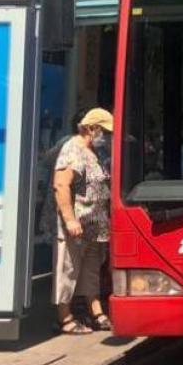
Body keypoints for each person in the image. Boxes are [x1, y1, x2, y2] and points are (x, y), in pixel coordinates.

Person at [52, 107, 114, 334]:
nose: (107, 136)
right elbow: (61, 184)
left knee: (90, 269)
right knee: (68, 268)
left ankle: (96, 311)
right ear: (91, 128)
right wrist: (70, 220)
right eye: (104, 131)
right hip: (77, 223)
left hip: (95, 224)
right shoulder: (72, 150)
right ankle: (64, 317)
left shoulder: (93, 151)